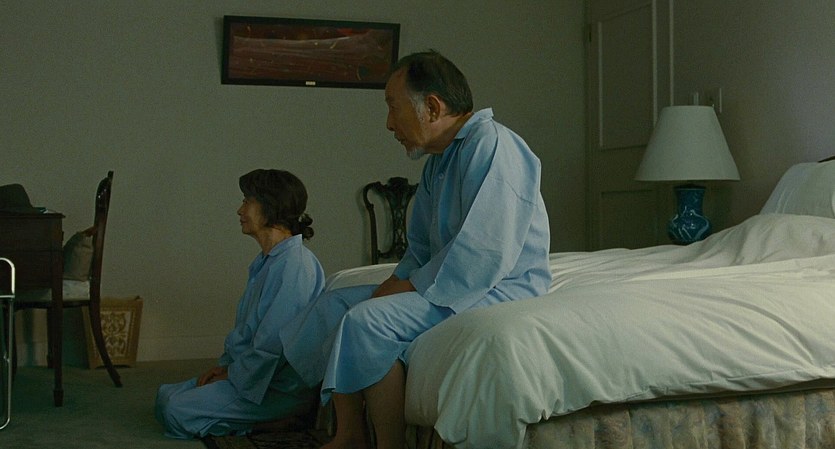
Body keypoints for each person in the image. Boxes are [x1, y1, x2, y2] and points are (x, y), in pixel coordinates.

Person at [281, 50, 552, 449]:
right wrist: (396, 281)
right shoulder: (438, 163)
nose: (389, 123)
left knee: (368, 321)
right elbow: (421, 247)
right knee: (334, 305)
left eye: (393, 107)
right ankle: (345, 430)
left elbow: (483, 254)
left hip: (497, 286)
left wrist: (407, 288)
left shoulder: (493, 146)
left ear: (433, 107)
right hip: (452, 280)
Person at [155, 169, 326, 439]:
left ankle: (274, 422)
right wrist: (225, 368)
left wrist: (233, 375)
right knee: (165, 396)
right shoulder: (268, 261)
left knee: (176, 410)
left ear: (270, 206)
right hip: (252, 377)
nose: (240, 210)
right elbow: (246, 334)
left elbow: (272, 345)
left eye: (247, 201)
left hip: (276, 388)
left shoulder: (295, 266)